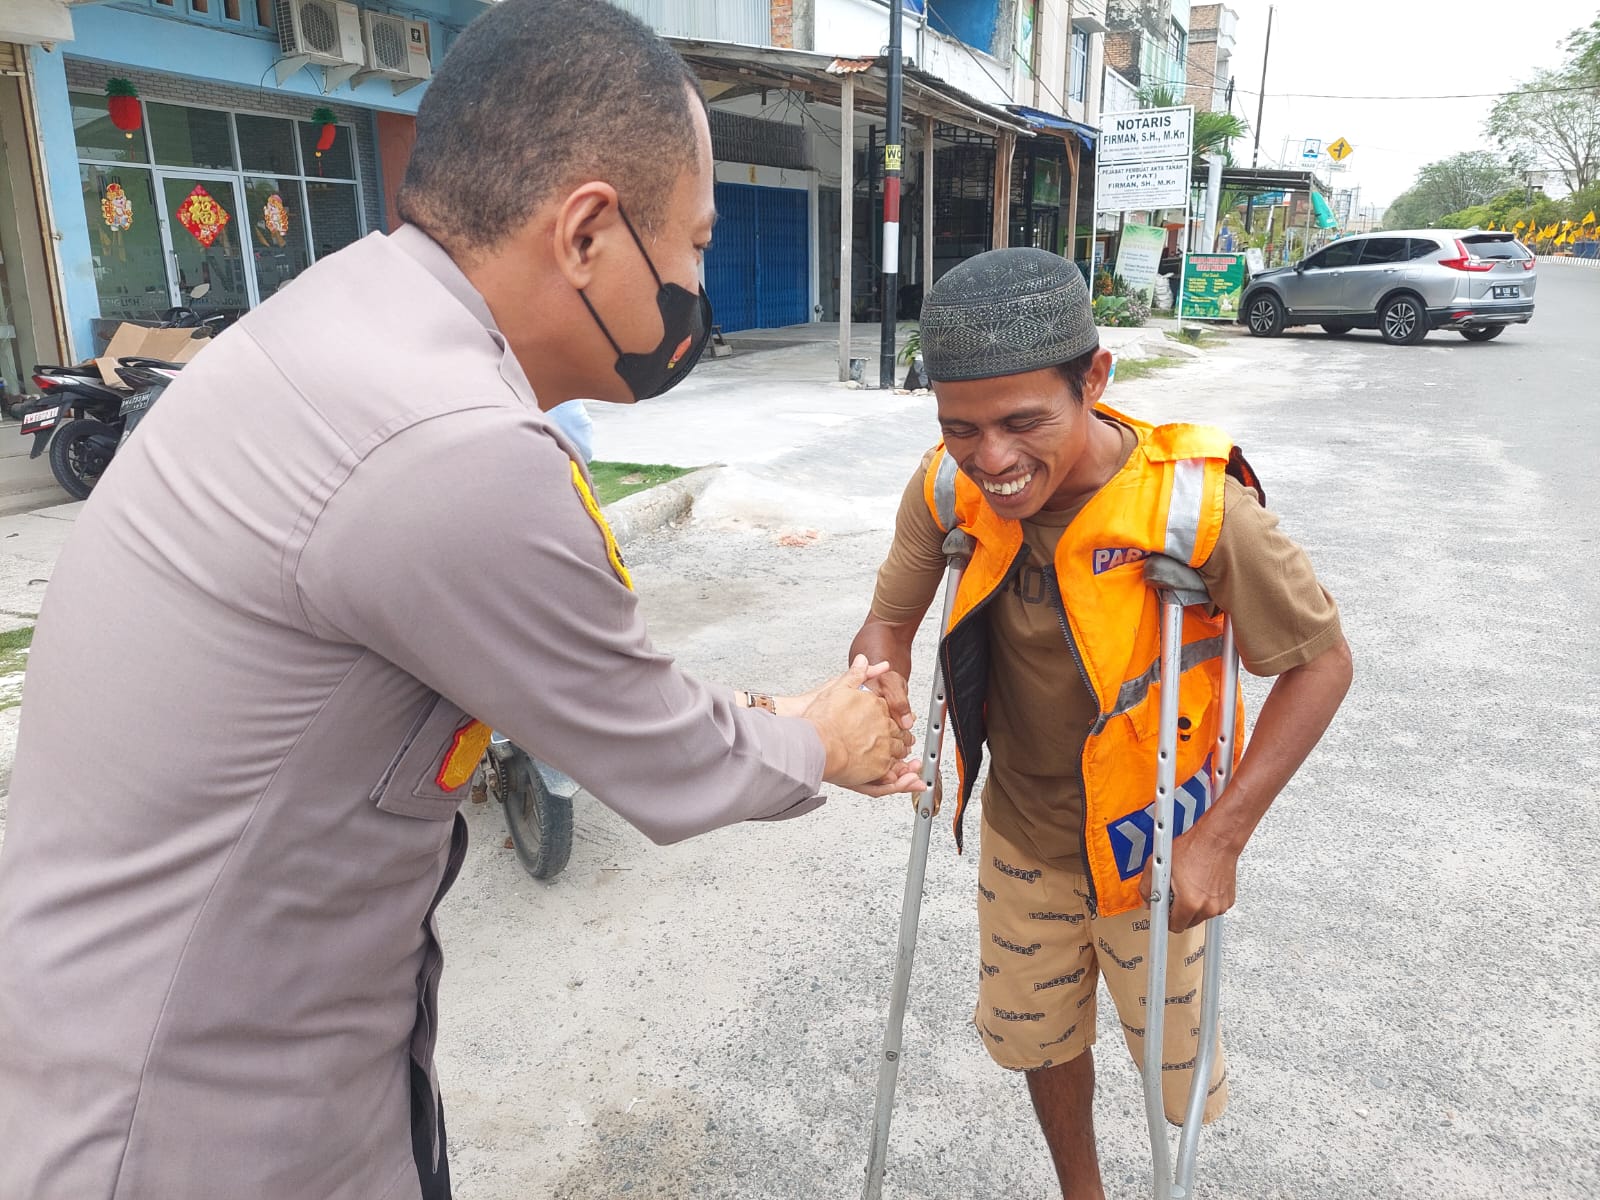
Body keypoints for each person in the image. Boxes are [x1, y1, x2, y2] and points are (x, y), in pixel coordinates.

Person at [0, 4, 923, 1198]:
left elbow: (577, 688)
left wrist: (762, 707)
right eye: (692, 244)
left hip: (168, 1036)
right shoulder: (456, 451)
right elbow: (666, 762)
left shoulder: (353, 318)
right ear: (588, 231)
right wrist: (827, 735)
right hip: (200, 1119)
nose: (699, 282)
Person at [850, 248, 1353, 1198]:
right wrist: (876, 686)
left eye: (1021, 422)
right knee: (1042, 1037)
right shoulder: (946, 487)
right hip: (1022, 839)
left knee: (1173, 1074)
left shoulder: (1199, 507)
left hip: (1156, 846)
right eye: (962, 429)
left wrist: (1223, 836)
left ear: (1095, 378)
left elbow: (1322, 665)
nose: (992, 461)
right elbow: (888, 621)